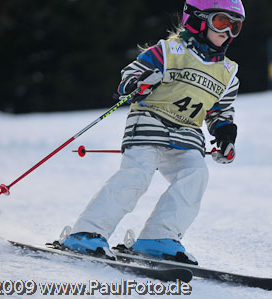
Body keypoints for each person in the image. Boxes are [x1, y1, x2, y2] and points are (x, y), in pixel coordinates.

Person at [61, 0, 245, 264]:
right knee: (136, 176)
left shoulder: (228, 73)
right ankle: (86, 233)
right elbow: (131, 75)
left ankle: (158, 237)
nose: (227, 32)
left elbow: (220, 112)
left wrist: (225, 134)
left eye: (235, 27)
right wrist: (137, 84)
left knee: (195, 175)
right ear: (198, 20)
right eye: (221, 22)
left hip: (187, 135)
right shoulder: (170, 51)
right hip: (149, 123)